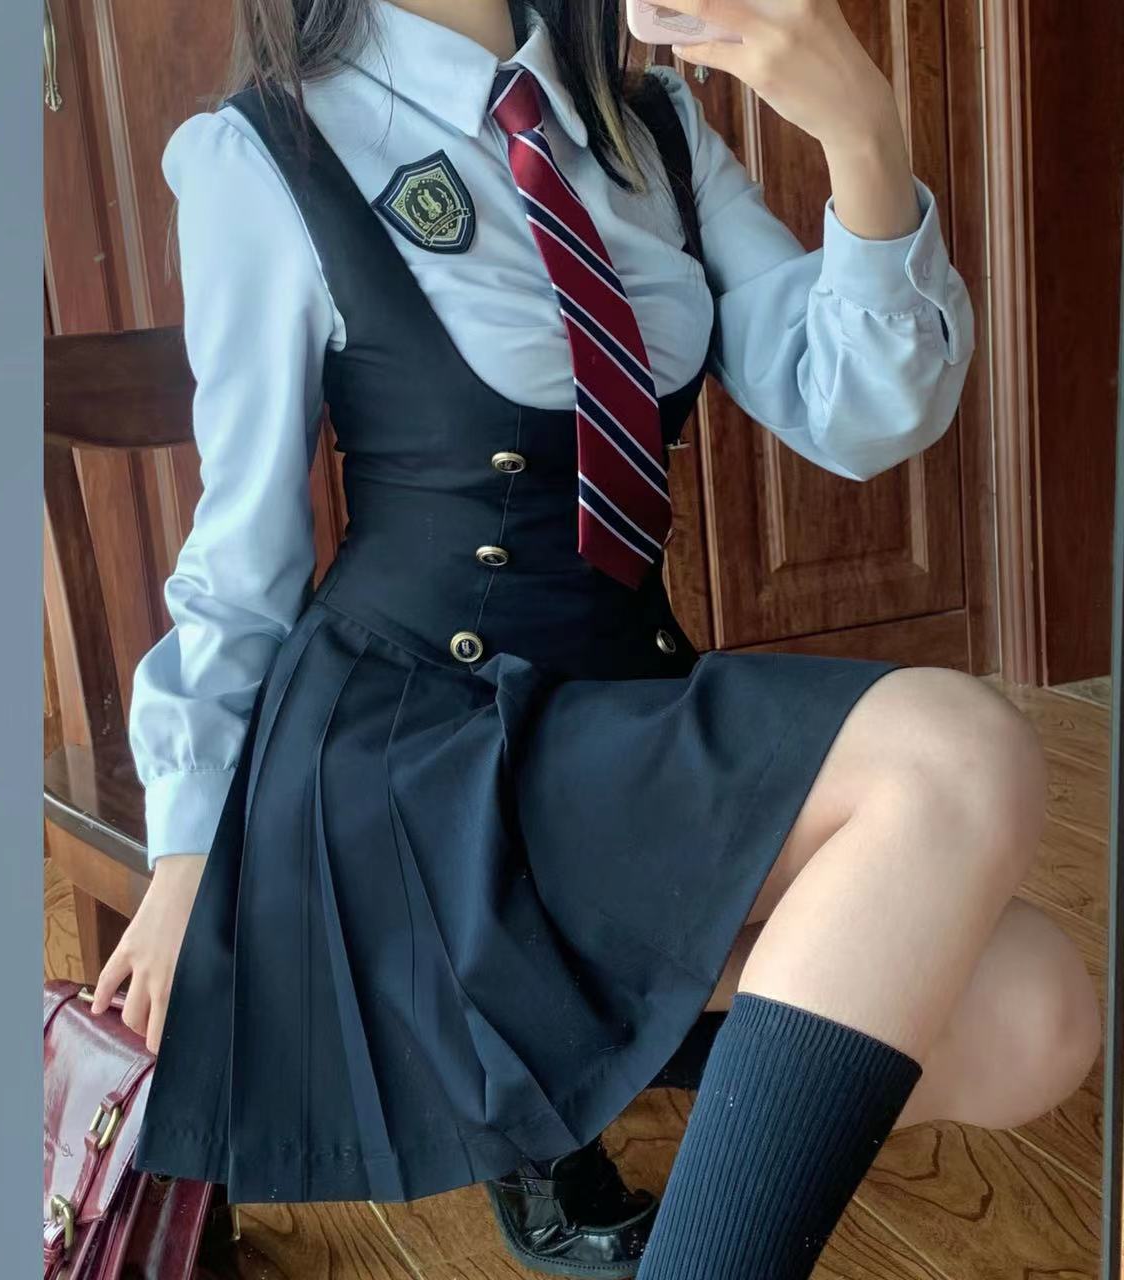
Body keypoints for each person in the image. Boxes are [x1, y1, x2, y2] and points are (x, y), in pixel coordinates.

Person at [92, 1, 1102, 1276]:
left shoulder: (650, 130)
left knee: (1033, 1019)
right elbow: (242, 551)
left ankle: (554, 1081)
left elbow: (855, 414)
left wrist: (863, 133)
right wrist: (188, 849)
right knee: (955, 749)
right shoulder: (270, 150)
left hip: (614, 715)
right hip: (412, 760)